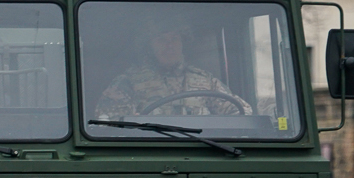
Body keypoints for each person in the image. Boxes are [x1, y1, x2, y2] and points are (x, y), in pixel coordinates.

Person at [96, 16, 247, 117]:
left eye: (174, 39)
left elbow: (240, 113)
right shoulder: (128, 83)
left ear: (183, 43)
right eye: (161, 40)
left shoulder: (205, 81)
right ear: (149, 46)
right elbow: (112, 124)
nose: (169, 46)